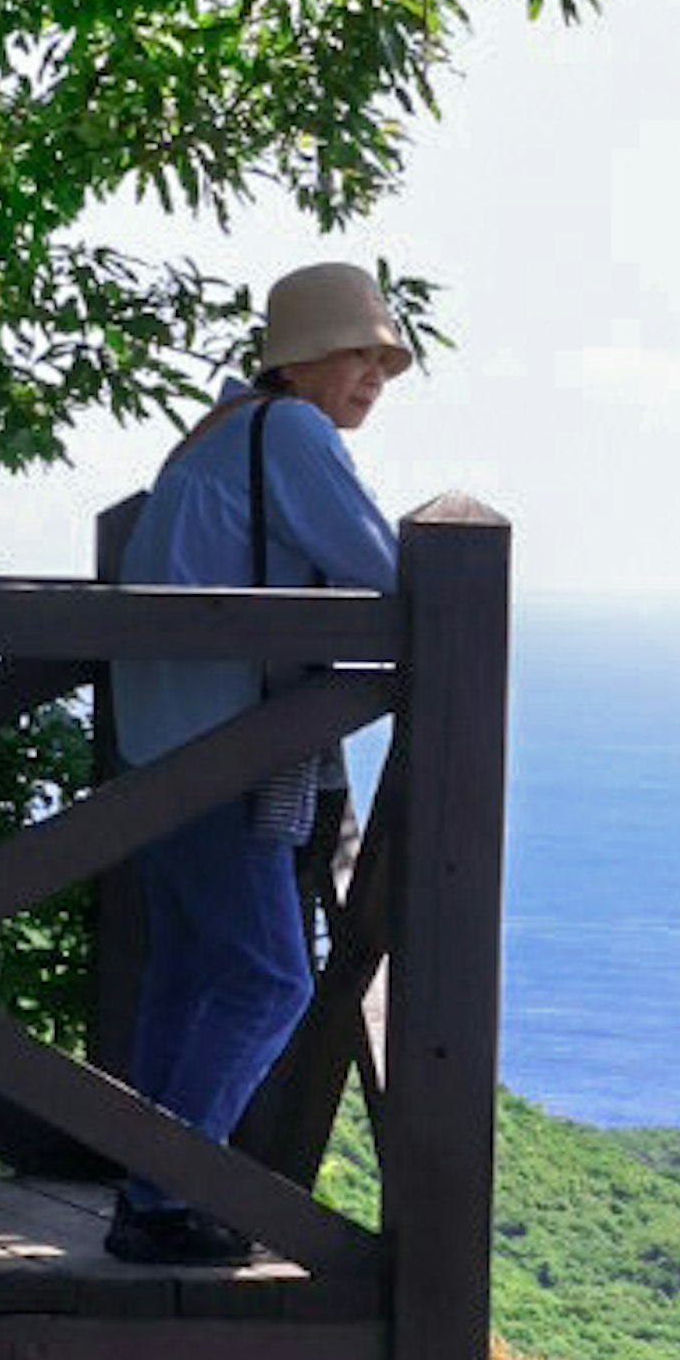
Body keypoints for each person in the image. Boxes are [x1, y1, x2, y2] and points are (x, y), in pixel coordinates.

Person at [103, 258, 412, 1267]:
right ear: (307, 355)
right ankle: (164, 1192)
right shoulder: (290, 431)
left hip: (161, 745)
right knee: (272, 980)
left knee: (192, 976)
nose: (374, 375)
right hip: (221, 750)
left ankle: (151, 1186)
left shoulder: (214, 434)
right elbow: (389, 568)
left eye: (383, 360)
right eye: (359, 354)